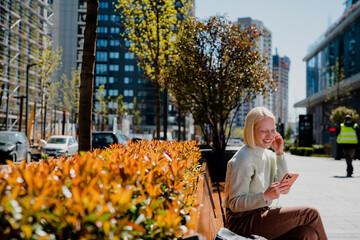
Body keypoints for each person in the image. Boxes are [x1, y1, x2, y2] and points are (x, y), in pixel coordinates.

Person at [222, 107, 327, 240]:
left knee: (307, 234)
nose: (270, 136)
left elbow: (285, 190)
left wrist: (279, 153)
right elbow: (235, 204)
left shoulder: (268, 155)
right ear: (251, 131)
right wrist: (265, 195)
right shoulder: (243, 158)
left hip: (261, 215)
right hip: (241, 222)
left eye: (272, 130)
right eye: (264, 131)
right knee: (311, 213)